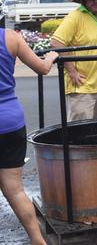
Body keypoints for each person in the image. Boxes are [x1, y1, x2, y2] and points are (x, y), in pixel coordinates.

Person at [0, 28, 58, 245]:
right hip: (11, 121)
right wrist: (51, 56)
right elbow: (42, 68)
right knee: (14, 190)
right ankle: (37, 240)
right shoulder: (11, 38)